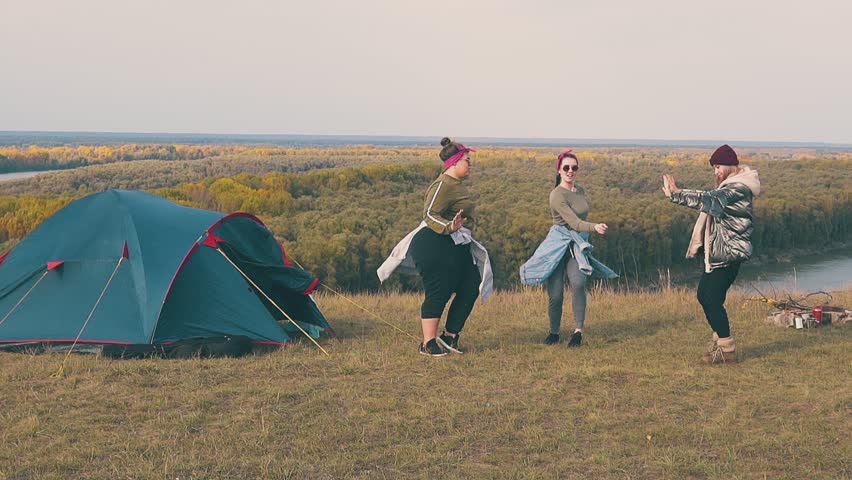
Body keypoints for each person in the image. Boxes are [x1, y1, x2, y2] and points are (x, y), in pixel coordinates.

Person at [376, 138, 493, 357]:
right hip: (433, 242)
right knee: (440, 289)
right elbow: (429, 214)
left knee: (470, 284)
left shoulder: (457, 184)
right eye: (467, 160)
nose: (470, 164)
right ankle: (427, 343)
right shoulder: (442, 184)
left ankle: (449, 337)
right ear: (454, 163)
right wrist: (449, 226)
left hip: (455, 243)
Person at [662, 144, 761, 364]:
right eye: (714, 168)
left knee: (710, 298)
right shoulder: (731, 186)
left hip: (729, 254)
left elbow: (710, 199)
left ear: (730, 165)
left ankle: (727, 350)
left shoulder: (738, 188)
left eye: (718, 167)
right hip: (719, 254)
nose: (716, 172)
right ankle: (720, 343)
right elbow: (711, 198)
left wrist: (677, 194)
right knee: (706, 296)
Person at [519, 150, 617, 348]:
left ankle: (578, 332)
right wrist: (594, 227)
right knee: (555, 294)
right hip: (558, 245)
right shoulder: (556, 195)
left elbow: (580, 219)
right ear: (559, 170)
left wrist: (587, 232)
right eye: (566, 168)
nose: (570, 171)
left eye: (574, 167)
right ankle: (554, 332)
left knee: (579, 282)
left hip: (576, 244)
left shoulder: (579, 190)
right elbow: (574, 222)